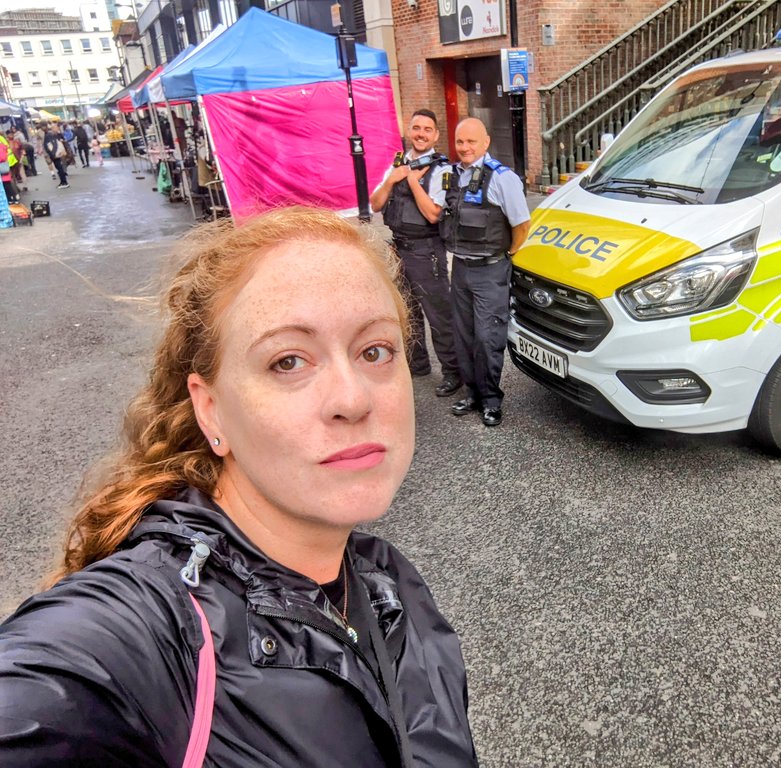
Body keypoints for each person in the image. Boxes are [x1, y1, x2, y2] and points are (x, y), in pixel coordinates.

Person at [0, 206, 479, 767]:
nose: (353, 400)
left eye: (375, 351)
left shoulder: (387, 582)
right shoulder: (150, 634)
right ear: (211, 411)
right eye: (288, 361)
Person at [438, 117, 531, 427]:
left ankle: (491, 400)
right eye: (460, 142)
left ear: (486, 142)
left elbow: (522, 226)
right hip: (461, 268)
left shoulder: (503, 179)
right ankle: (472, 394)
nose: (465, 148)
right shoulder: (453, 175)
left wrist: (508, 253)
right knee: (463, 335)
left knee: (487, 338)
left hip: (490, 270)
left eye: (471, 142)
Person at [370, 109, 462, 398]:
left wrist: (410, 181)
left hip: (426, 252)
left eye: (427, 129)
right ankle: (418, 364)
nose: (421, 133)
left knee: (439, 316)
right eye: (416, 127)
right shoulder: (398, 164)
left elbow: (433, 214)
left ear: (435, 135)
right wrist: (392, 179)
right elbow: (375, 204)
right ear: (409, 130)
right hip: (399, 249)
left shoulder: (442, 169)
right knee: (407, 313)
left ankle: (453, 373)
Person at [43, 122, 69, 189]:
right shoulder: (55, 135)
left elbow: (50, 145)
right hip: (57, 153)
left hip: (55, 154)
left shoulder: (50, 135)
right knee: (59, 167)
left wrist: (52, 154)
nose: (57, 128)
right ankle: (63, 181)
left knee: (59, 167)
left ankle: (64, 182)